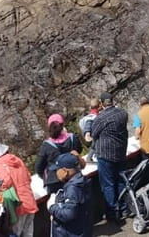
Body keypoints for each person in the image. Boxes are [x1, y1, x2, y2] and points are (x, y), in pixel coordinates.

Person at [0, 139, 38, 237]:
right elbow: (28, 177)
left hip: (18, 205)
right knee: (28, 233)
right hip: (29, 200)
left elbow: (4, 182)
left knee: (16, 233)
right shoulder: (16, 159)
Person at [90, 92, 129, 224]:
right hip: (121, 153)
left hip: (105, 155)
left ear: (101, 104)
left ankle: (112, 213)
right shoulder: (123, 113)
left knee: (108, 185)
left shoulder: (100, 118)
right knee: (121, 181)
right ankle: (124, 208)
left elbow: (93, 134)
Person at [35, 114, 82, 195]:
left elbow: (39, 167)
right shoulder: (72, 138)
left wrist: (45, 176)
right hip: (74, 175)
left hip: (55, 181)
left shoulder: (46, 145)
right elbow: (79, 150)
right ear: (62, 125)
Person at [48, 153, 92, 237]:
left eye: (57, 170)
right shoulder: (81, 180)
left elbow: (69, 214)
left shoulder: (73, 188)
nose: (56, 173)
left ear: (65, 171)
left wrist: (52, 207)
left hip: (72, 232)